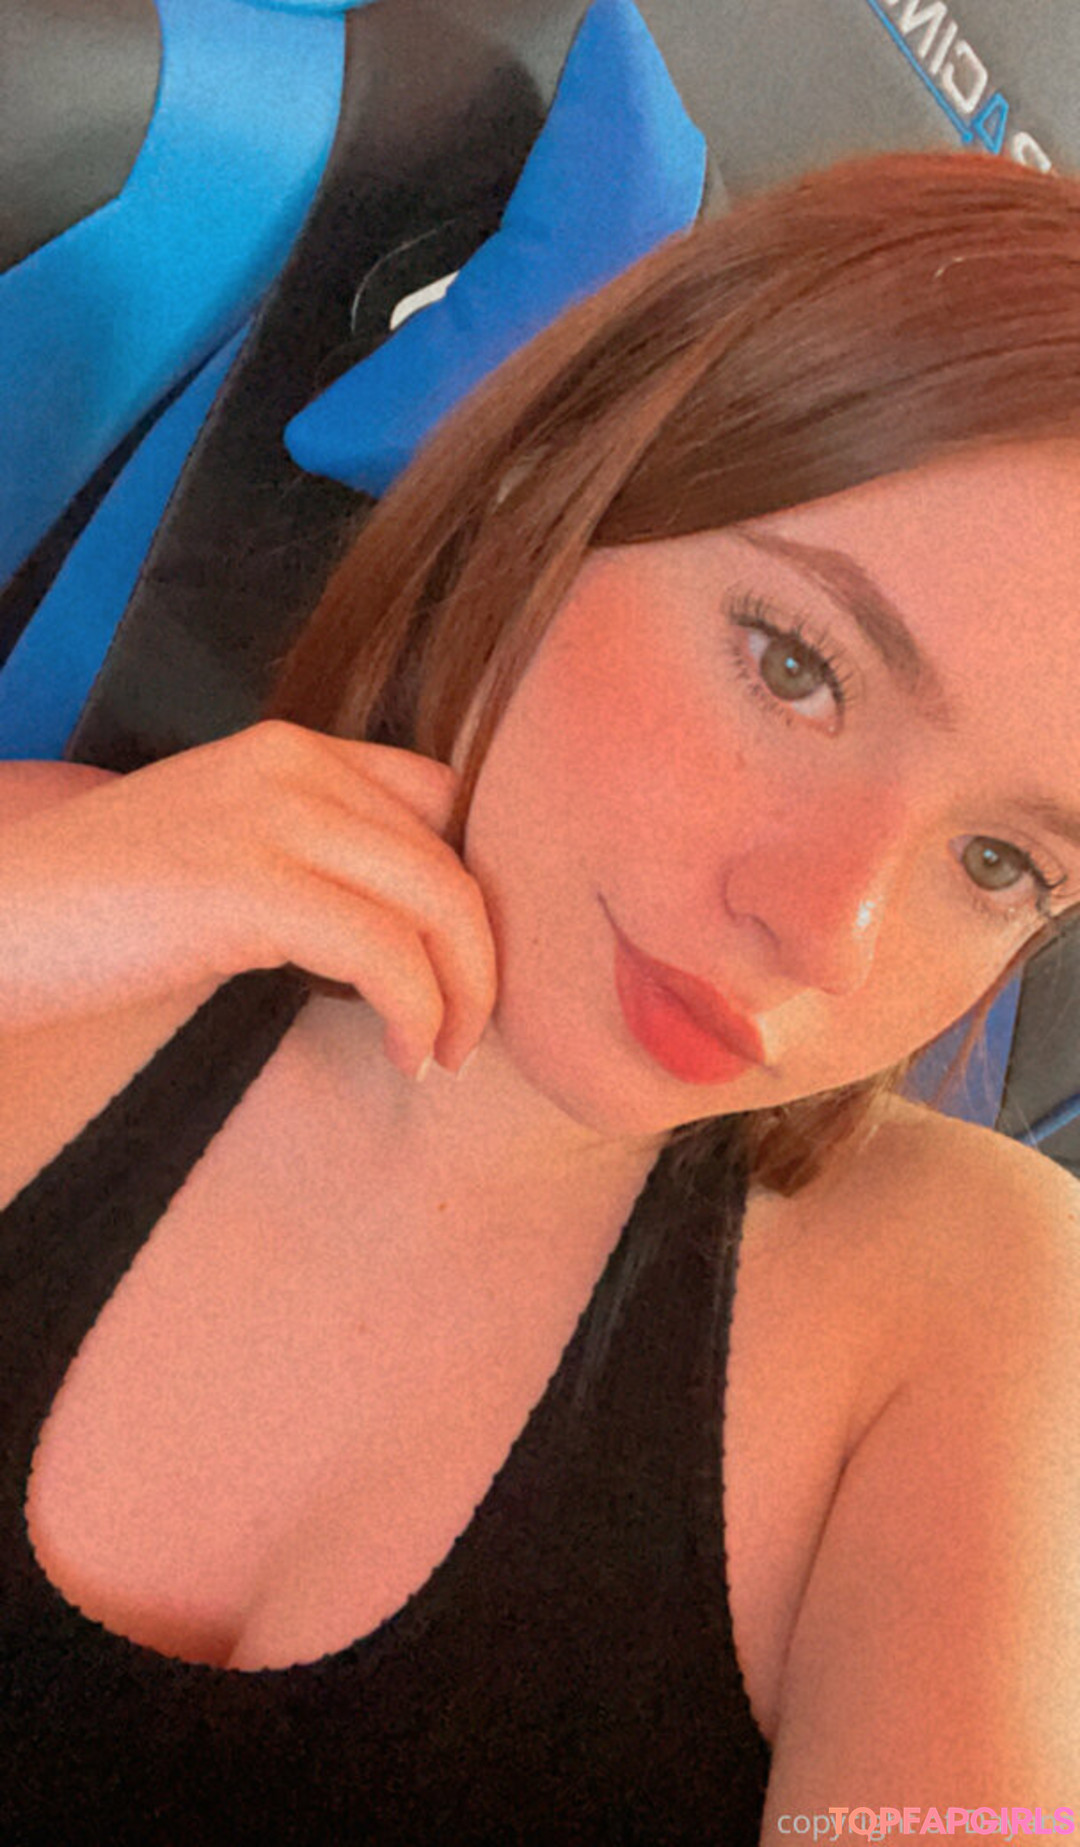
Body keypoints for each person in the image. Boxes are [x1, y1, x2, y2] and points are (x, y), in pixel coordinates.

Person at [1, 148, 1079, 1842]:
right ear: (548, 488)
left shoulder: (965, 1319)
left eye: (1003, 861)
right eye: (796, 665)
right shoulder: (56, 917)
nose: (828, 929)